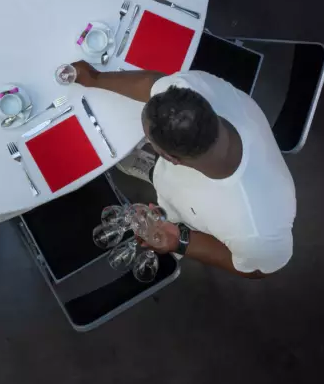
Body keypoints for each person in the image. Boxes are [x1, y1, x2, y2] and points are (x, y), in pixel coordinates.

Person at [72, 62, 296, 277]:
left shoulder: (258, 229)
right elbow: (152, 83)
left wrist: (180, 241)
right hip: (172, 180)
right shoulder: (192, 90)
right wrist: (95, 77)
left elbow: (257, 269)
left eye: (150, 141)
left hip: (187, 219)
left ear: (171, 157)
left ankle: (157, 180)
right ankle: (153, 171)